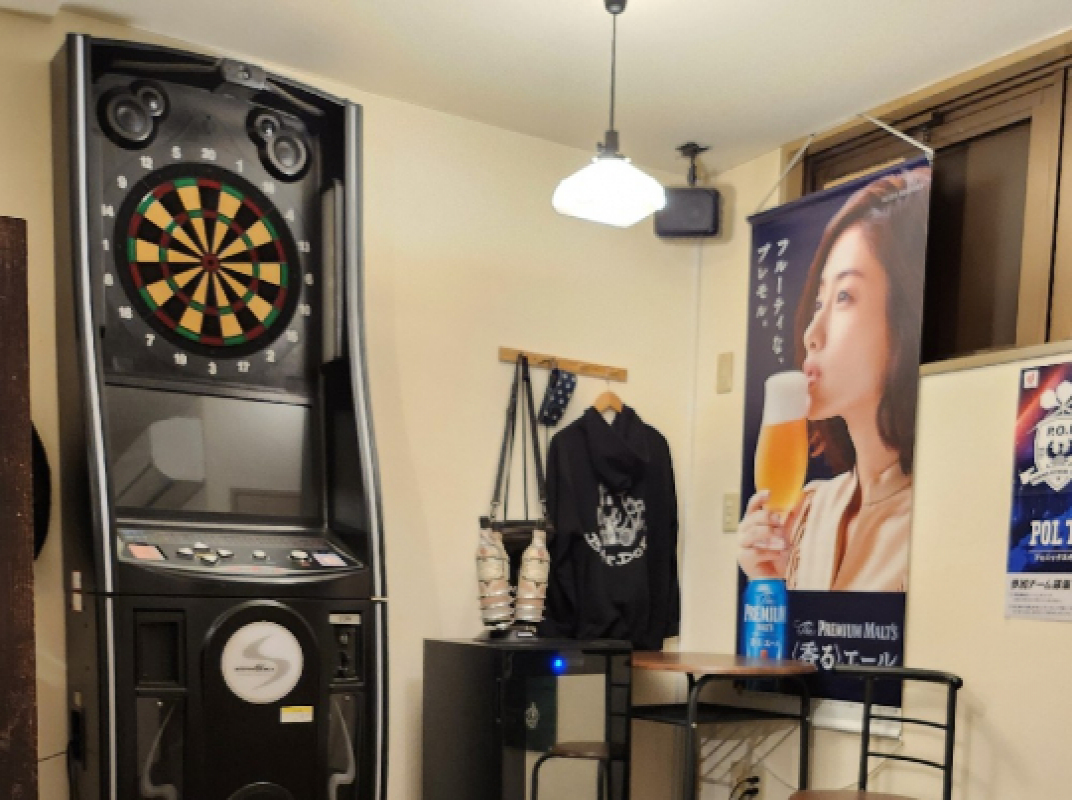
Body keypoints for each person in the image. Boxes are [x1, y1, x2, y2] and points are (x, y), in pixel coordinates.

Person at [738, 167, 930, 591]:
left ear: (905, 317)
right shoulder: (809, 509)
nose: (812, 333)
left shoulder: (933, 520)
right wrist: (767, 580)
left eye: (844, 296)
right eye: (818, 301)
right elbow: (795, 637)